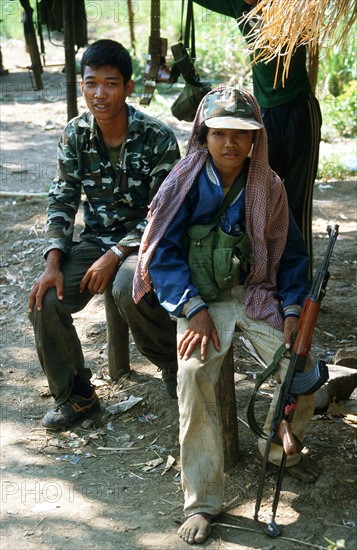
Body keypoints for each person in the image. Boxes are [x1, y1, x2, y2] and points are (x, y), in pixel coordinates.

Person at [133, 87, 320, 545]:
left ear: (255, 140)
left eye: (241, 134)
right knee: (193, 374)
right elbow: (164, 256)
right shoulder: (184, 181)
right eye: (220, 133)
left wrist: (293, 310)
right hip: (201, 301)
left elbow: (292, 256)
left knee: (304, 370)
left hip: (255, 294)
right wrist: (192, 308)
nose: (230, 143)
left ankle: (276, 449)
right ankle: (202, 502)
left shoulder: (268, 186)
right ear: (205, 135)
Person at [28, 39, 180, 429]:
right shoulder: (75, 135)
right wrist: (54, 261)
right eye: (91, 83)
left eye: (110, 83)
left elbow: (166, 212)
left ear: (128, 88)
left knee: (129, 285)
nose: (100, 93)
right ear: (81, 86)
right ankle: (77, 395)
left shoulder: (157, 137)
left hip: (148, 242)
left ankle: (173, 364)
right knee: (45, 298)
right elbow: (62, 199)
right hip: (97, 242)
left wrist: (116, 253)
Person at [193, 0, 322, 275]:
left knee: (298, 202)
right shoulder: (238, 6)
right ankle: (265, 275)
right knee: (262, 196)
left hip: (300, 110)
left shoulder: (292, 6)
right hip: (264, 116)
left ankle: (301, 283)